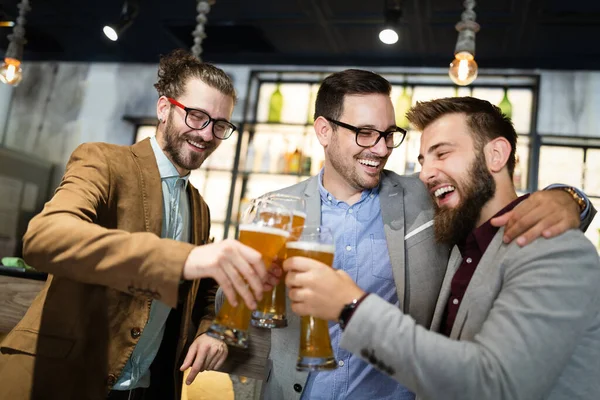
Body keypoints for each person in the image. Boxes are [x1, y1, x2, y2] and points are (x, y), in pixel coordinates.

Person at [210, 70, 594, 400]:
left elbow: (494, 195)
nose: (381, 149)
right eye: (364, 133)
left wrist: (569, 197)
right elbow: (238, 311)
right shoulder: (273, 206)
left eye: (389, 134)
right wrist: (223, 323)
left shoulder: (426, 199)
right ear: (324, 131)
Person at [0, 49, 273, 400]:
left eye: (220, 125)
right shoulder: (104, 161)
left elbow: (204, 292)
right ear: (164, 109)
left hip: (145, 389)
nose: (207, 135)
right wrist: (183, 259)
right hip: (61, 379)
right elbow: (44, 237)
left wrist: (213, 330)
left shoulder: (199, 207)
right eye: (196, 116)